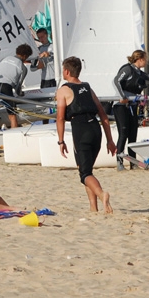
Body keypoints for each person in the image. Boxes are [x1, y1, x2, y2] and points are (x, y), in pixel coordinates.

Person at [56, 56, 115, 213]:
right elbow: (103, 114)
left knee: (84, 174)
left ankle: (102, 195)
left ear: (67, 71)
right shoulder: (88, 88)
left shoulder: (63, 90)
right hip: (96, 130)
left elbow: (60, 117)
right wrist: (110, 140)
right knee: (87, 170)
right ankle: (93, 208)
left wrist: (61, 141)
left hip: (81, 131)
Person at [112, 50, 149, 170]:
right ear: (140, 59)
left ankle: (133, 163)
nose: (147, 61)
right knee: (123, 134)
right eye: (146, 58)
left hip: (133, 106)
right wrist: (122, 96)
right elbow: (116, 81)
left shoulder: (141, 74)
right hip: (121, 106)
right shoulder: (128, 69)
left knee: (133, 134)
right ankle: (119, 162)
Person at [0, 43, 33, 132]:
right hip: (6, 88)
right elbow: (18, 88)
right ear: (25, 56)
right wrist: (21, 94)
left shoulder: (4, 59)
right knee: (12, 116)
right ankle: (14, 138)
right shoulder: (23, 68)